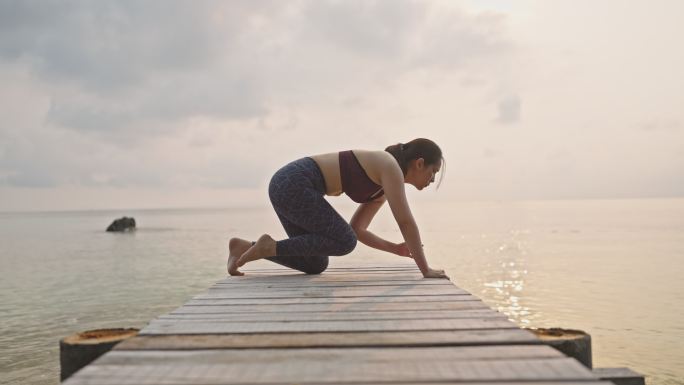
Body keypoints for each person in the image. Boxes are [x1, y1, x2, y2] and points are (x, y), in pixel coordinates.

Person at [227, 138, 448, 279]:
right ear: (419, 163)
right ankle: (269, 247)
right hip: (294, 182)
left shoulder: (379, 190)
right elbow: (405, 222)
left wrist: (396, 249)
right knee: (345, 241)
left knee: (315, 263)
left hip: (286, 186)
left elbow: (358, 229)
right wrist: (425, 270)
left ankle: (243, 247)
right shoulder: (389, 166)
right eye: (433, 171)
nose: (432, 179)